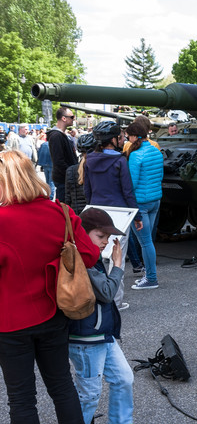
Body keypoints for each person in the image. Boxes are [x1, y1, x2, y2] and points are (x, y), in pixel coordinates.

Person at [0, 150, 106, 424]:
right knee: (61, 384)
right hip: (54, 311)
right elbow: (90, 255)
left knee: (21, 398)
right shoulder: (60, 211)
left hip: (9, 321)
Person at [69, 208, 149, 424]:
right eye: (100, 236)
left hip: (101, 333)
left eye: (106, 237)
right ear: (83, 233)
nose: (105, 242)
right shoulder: (83, 259)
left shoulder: (91, 256)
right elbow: (106, 293)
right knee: (89, 394)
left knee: (124, 377)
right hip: (85, 337)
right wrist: (117, 265)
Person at [84, 121, 142, 309]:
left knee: (97, 256)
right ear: (114, 139)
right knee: (117, 256)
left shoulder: (89, 159)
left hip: (95, 211)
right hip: (119, 214)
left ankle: (98, 296)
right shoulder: (119, 160)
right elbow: (127, 191)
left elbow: (88, 189)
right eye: (120, 136)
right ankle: (115, 302)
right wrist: (137, 216)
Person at [125, 122, 164, 290]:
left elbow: (131, 183)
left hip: (140, 203)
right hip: (155, 200)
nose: (127, 138)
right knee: (148, 241)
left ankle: (151, 278)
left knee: (145, 242)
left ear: (134, 136)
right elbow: (160, 175)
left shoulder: (135, 155)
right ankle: (150, 275)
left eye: (128, 135)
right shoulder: (156, 151)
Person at [50, 107, 79, 202]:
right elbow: (59, 161)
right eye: (71, 117)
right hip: (63, 180)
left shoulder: (61, 135)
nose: (73, 119)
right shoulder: (56, 136)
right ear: (64, 118)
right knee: (63, 207)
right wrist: (71, 173)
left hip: (66, 178)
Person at [64, 133, 96, 214]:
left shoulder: (71, 170)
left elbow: (68, 198)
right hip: (95, 214)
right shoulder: (98, 169)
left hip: (77, 215)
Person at [37, 135, 55, 199]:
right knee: (51, 181)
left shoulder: (44, 144)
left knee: (47, 181)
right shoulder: (54, 145)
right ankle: (51, 196)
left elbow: (39, 153)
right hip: (52, 164)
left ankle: (48, 194)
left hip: (45, 164)